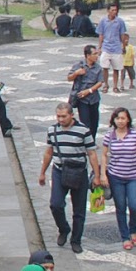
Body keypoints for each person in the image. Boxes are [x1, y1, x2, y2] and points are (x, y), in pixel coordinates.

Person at [39, 103, 103, 253]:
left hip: (79, 172)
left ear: (71, 115)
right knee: (56, 204)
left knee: (79, 210)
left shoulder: (83, 131)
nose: (61, 119)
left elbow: (92, 153)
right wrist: (42, 172)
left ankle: (76, 239)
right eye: (58, 116)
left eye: (64, 116)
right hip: (59, 170)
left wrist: (97, 176)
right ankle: (64, 228)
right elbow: (49, 152)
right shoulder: (52, 130)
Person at [103, 107, 136, 250]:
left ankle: (133, 230)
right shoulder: (109, 136)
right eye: (118, 118)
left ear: (128, 119)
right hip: (115, 176)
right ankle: (125, 236)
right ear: (113, 120)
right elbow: (104, 155)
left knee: (135, 206)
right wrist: (102, 174)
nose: (120, 121)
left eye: (123, 118)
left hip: (133, 176)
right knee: (120, 207)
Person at [67, 44, 104, 133]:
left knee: (94, 122)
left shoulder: (98, 68)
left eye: (97, 54)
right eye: (94, 54)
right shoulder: (78, 65)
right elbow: (69, 78)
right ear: (88, 55)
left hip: (94, 98)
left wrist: (89, 91)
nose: (96, 56)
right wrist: (76, 73)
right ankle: (86, 142)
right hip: (82, 99)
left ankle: (92, 141)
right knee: (85, 123)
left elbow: (100, 82)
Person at [95, 3, 128, 80]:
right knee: (104, 67)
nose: (114, 12)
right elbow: (101, 34)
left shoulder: (120, 21)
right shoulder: (103, 21)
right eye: (112, 10)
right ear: (108, 11)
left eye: (115, 10)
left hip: (116, 47)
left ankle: (115, 86)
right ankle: (106, 84)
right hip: (106, 47)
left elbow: (122, 34)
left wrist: (123, 46)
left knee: (116, 68)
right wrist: (99, 47)